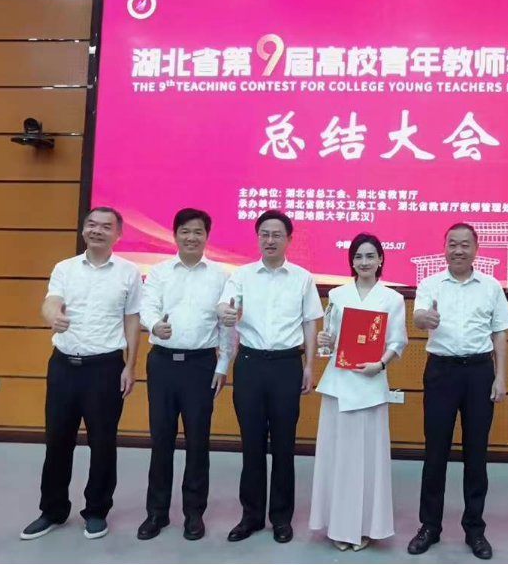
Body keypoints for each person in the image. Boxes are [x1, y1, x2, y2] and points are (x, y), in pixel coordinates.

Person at [20, 207, 141, 541]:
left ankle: (96, 511)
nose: (97, 230)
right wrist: (52, 316)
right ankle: (52, 510)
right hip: (63, 367)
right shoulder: (65, 268)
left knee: (103, 443)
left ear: (118, 234)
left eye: (105, 226)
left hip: (105, 368)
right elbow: (51, 301)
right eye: (91, 224)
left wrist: (130, 366)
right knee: (57, 441)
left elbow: (132, 319)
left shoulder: (129, 272)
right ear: (84, 229)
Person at [408, 223, 508, 560]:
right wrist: (424, 319)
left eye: (465, 244)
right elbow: (418, 317)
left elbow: (500, 333)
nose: (458, 250)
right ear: (444, 248)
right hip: (441, 372)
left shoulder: (491, 286)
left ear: (476, 249)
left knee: (476, 453)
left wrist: (501, 377)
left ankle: (475, 529)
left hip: (479, 373)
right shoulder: (430, 283)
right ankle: (429, 526)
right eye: (452, 244)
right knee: (435, 452)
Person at [218, 210, 323, 544]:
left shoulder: (302, 278)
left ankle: (280, 518)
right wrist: (226, 312)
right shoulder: (241, 275)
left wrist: (309, 366)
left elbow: (310, 323)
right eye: (264, 233)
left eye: (277, 234)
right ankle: (250, 516)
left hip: (287, 365)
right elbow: (224, 307)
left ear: (289, 239)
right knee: (251, 444)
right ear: (257, 238)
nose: (270, 240)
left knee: (283, 444)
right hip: (250, 364)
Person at [137, 208, 235, 542]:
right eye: (185, 231)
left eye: (198, 232)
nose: (191, 237)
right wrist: (154, 325)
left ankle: (194, 513)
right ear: (175, 234)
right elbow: (147, 307)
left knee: (197, 441)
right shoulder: (159, 272)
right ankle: (156, 513)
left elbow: (226, 325)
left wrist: (223, 365)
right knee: (160, 440)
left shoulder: (221, 276)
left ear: (207, 236)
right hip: (163, 364)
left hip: (201, 365)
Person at [309, 233, 408, 552]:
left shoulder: (391, 298)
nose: (364, 262)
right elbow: (329, 339)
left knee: (367, 460)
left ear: (380, 259)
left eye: (370, 256)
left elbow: (398, 341)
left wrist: (380, 364)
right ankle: (338, 526)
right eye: (358, 256)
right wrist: (325, 341)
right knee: (338, 458)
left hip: (370, 384)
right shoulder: (337, 295)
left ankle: (364, 527)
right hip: (338, 386)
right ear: (351, 261)